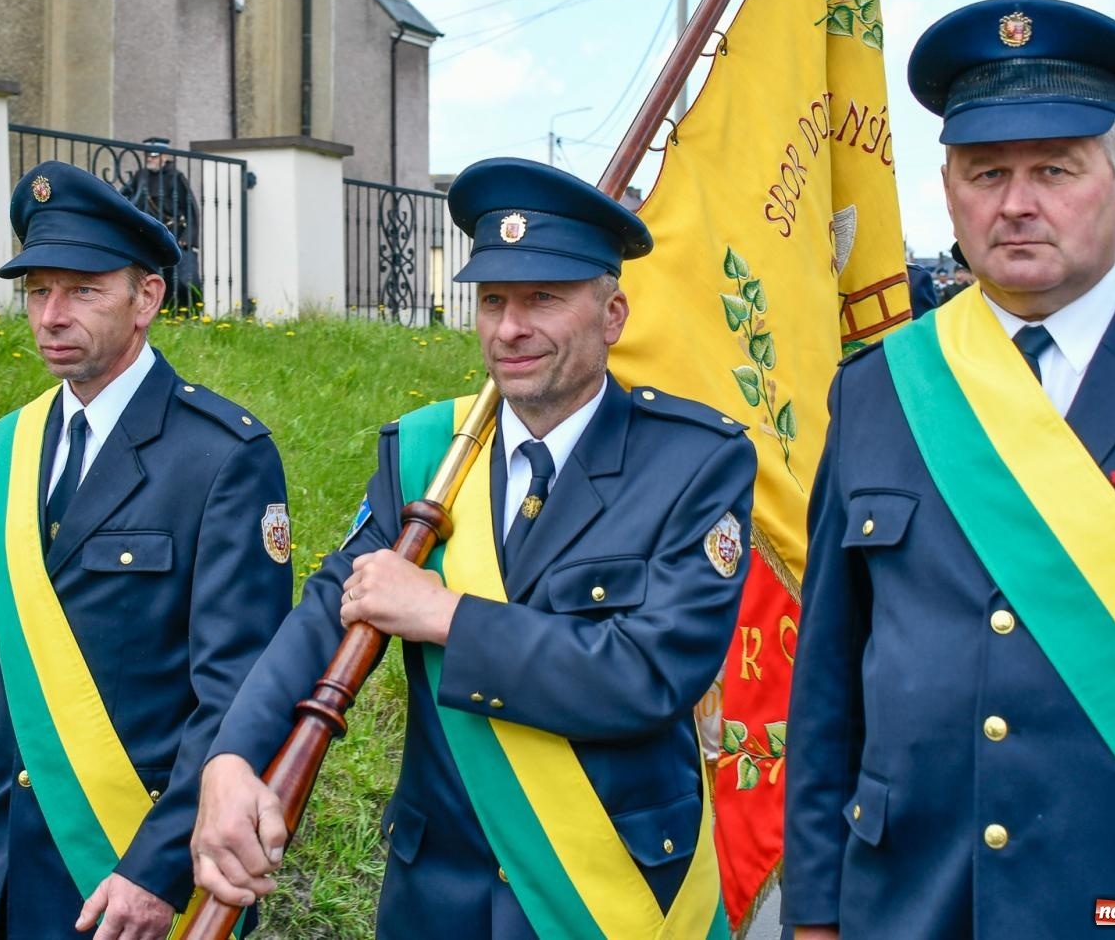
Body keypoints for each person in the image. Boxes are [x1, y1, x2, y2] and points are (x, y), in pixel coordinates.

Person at [783, 0, 1115, 939]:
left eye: (1055, 168)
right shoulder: (881, 389)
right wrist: (815, 910)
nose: (1016, 203)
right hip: (913, 901)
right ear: (949, 186)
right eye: (985, 171)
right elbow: (831, 681)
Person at [192, 157, 757, 937]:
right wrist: (231, 759)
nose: (509, 329)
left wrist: (446, 615)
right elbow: (331, 607)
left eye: (543, 300)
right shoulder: (428, 449)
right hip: (440, 892)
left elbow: (650, 674)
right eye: (492, 300)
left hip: (605, 886)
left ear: (613, 314)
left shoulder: (696, 461)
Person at [0, 161, 293, 939]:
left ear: (148, 297)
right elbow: (7, 676)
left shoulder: (223, 457)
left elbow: (238, 690)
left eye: (83, 290)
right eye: (37, 292)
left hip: (125, 869)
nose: (52, 316)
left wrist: (159, 867)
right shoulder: (13, 444)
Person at [120, 138, 201, 310]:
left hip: (173, 233)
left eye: (154, 154)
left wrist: (188, 237)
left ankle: (179, 312)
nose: (150, 158)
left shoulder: (175, 176)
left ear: (165, 156)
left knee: (178, 279)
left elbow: (190, 208)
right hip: (148, 235)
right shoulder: (141, 175)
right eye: (147, 154)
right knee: (150, 275)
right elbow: (124, 196)